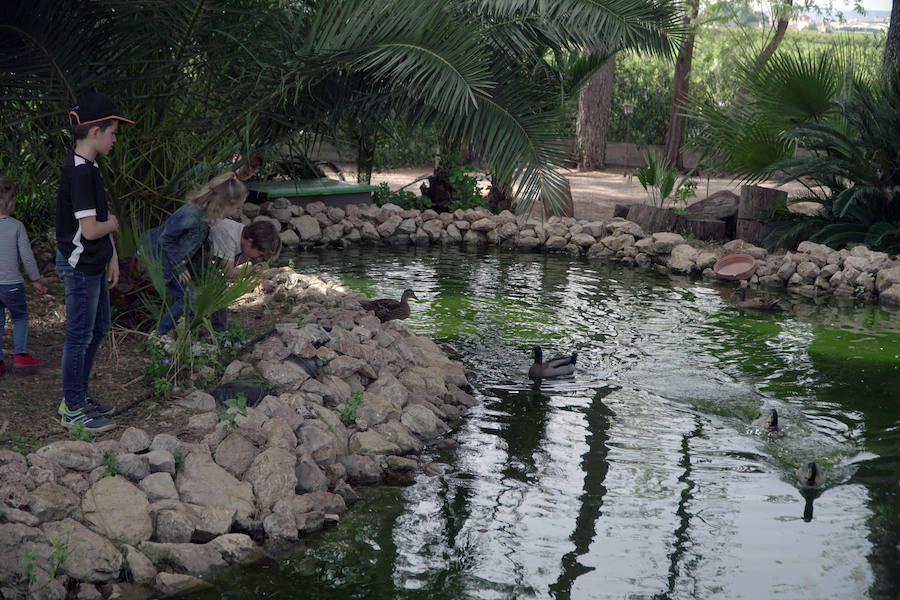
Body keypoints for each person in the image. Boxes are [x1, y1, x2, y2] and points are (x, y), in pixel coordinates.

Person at [56, 92, 133, 432]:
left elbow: (97, 219)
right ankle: (72, 408)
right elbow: (90, 230)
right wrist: (114, 225)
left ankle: (80, 396)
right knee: (79, 335)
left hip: (96, 263)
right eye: (113, 132)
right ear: (95, 132)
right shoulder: (79, 173)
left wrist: (112, 253)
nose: (115, 139)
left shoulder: (90, 166)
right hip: (81, 266)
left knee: (98, 329)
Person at [143, 171, 248, 339]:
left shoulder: (205, 215)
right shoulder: (191, 216)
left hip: (181, 260)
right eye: (236, 207)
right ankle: (160, 335)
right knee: (188, 298)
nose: (236, 211)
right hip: (164, 259)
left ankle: (187, 338)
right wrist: (179, 267)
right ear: (225, 203)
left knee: (194, 298)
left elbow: (199, 239)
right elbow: (165, 239)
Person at [0, 176, 48, 376]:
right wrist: (35, 280)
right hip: (12, 285)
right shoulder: (16, 226)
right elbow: (27, 257)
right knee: (19, 316)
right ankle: (20, 356)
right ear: (11, 202)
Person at [208, 219, 281, 333]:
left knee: (218, 285)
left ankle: (219, 331)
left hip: (203, 260)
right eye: (260, 255)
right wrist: (253, 270)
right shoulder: (229, 236)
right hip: (185, 259)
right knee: (215, 287)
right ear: (250, 242)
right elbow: (228, 273)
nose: (258, 259)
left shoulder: (243, 237)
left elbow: (226, 265)